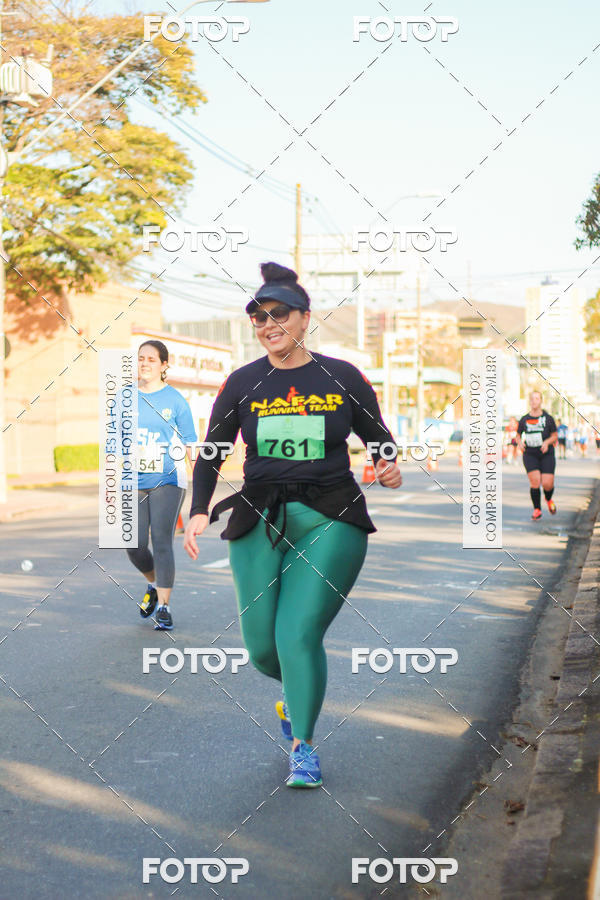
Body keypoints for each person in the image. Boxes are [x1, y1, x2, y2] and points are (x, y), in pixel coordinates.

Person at [184, 262, 402, 788]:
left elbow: (379, 437)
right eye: (258, 318)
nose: (268, 325)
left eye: (278, 314)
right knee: (263, 649)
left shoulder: (342, 377)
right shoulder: (243, 382)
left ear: (305, 317)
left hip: (331, 515)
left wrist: (388, 464)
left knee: (297, 634)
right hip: (259, 515)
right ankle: (296, 695)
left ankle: (303, 745)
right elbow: (213, 450)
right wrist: (198, 509)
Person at [126, 340, 197, 630]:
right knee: (133, 544)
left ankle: (164, 607)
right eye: (140, 358)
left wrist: (202, 484)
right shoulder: (124, 398)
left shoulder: (175, 400)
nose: (144, 363)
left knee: (161, 541)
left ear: (164, 365)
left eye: (151, 359)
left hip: (168, 479)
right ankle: (153, 585)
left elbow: (190, 442)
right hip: (134, 480)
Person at [517, 390, 558, 520]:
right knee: (535, 481)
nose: (534, 401)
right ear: (529, 401)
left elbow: (555, 436)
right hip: (530, 454)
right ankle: (537, 509)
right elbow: (518, 435)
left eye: (537, 398)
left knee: (547, 483)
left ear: (541, 401)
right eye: (532, 398)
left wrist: (547, 442)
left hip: (546, 453)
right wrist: (519, 443)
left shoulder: (548, 418)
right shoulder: (524, 419)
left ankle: (548, 498)